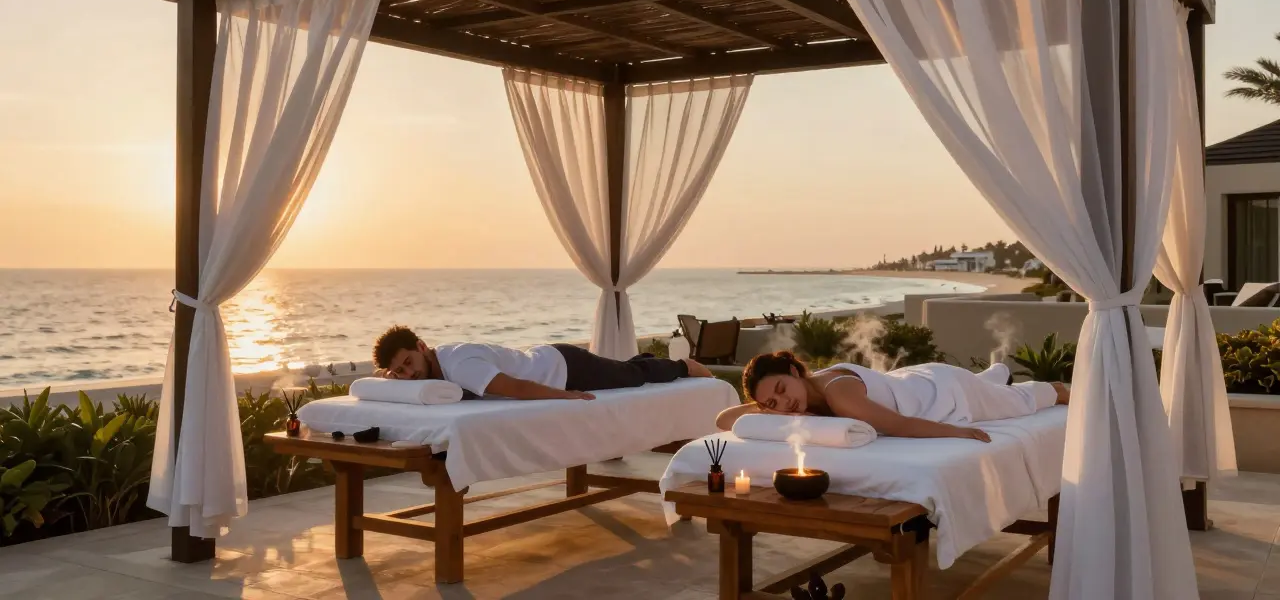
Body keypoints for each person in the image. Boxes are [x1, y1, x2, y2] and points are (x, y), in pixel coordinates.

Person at [715, 351, 1070, 442]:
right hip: (909, 381)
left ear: (794, 372)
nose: (785, 404)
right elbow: (724, 419)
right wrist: (768, 405)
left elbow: (897, 425)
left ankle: (1055, 388)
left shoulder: (839, 393)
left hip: (945, 392)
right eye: (772, 404)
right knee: (990, 387)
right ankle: (993, 376)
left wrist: (958, 432)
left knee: (1018, 403)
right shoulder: (804, 395)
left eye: (781, 390)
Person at [371, 325, 713, 400]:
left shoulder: (459, 363)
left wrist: (569, 396)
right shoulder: (434, 363)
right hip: (547, 359)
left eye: (408, 362)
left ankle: (684, 366)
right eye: (399, 371)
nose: (409, 374)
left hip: (565, 368)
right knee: (623, 370)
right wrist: (391, 377)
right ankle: (643, 361)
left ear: (421, 345)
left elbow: (516, 388)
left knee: (633, 376)